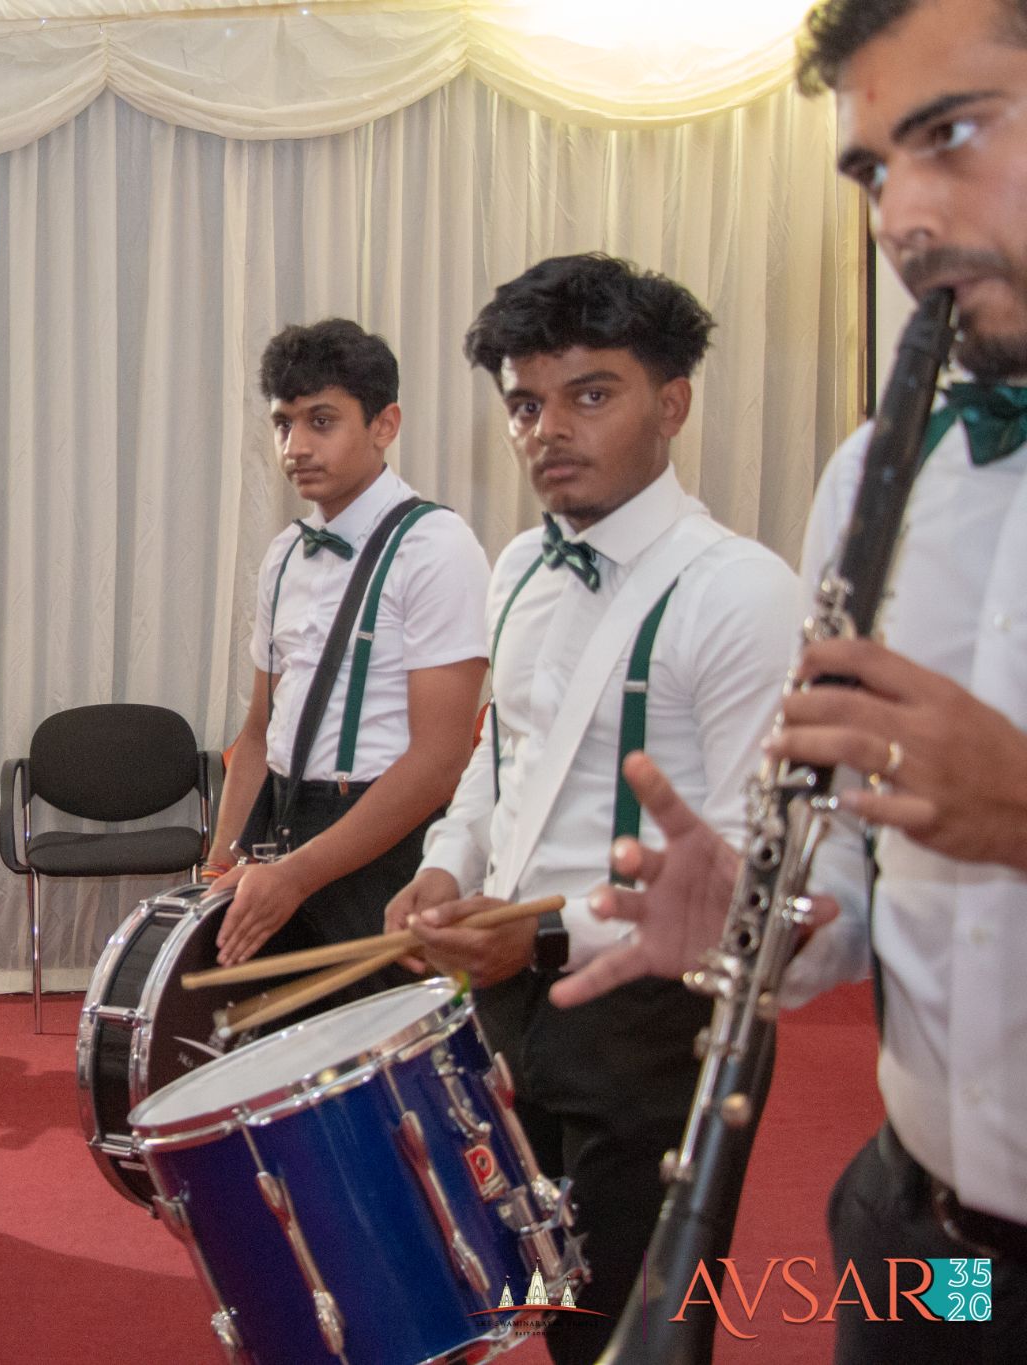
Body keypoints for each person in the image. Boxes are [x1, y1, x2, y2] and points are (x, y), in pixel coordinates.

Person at [554, 3, 1027, 1355]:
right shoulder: (879, 468)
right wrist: (778, 918)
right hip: (924, 1233)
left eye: (951, 133)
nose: (903, 216)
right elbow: (876, 876)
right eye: (875, 168)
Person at [382, 255, 800, 1365]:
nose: (546, 428)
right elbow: (496, 757)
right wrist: (444, 865)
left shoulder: (741, 590)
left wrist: (552, 926)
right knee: (549, 1300)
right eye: (524, 401)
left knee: (636, 1328)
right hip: (511, 994)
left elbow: (753, 870)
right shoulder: (517, 563)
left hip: (658, 1011)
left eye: (589, 393)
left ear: (672, 403)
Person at [207, 320, 490, 993]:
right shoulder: (283, 554)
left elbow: (442, 758)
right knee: (262, 1050)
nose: (295, 445)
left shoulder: (437, 546)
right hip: (278, 821)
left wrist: (297, 874)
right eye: (282, 423)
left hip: (381, 841)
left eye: (321, 420)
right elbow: (256, 735)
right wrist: (218, 866)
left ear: (384, 424)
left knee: (366, 1059)